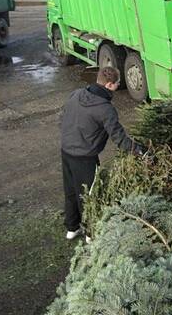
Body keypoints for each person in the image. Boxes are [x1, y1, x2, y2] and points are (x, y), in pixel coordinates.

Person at [60, 66, 145, 240]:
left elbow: (62, 117)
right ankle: (91, 234)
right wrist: (139, 151)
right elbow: (120, 138)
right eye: (118, 83)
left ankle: (72, 227)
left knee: (70, 190)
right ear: (109, 85)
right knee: (90, 195)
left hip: (66, 151)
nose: (119, 85)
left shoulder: (76, 94)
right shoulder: (106, 109)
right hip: (85, 158)